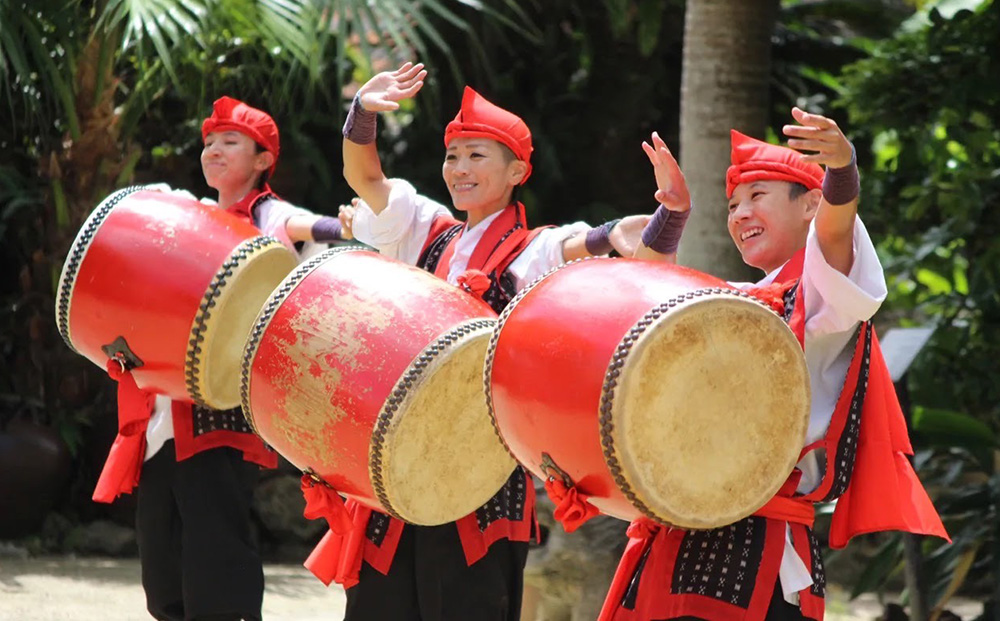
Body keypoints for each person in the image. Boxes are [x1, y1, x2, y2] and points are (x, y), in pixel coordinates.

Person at [303, 61, 649, 621]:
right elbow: (365, 178)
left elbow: (585, 244)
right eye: (452, 156)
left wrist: (627, 230)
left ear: (517, 171)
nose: (459, 168)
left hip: (480, 474)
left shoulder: (535, 249)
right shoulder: (425, 228)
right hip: (399, 460)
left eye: (476, 156)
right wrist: (362, 113)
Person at [596, 109, 949, 620]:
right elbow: (642, 296)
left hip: (755, 543)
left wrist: (842, 170)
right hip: (681, 526)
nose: (739, 214)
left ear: (810, 204)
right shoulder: (738, 297)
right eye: (732, 205)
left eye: (757, 195)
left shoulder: (822, 297)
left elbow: (835, 233)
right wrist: (672, 213)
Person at [92, 96, 346, 621]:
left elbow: (306, 227)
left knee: (216, 554)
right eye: (208, 142)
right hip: (165, 409)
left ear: (262, 160)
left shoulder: (268, 215)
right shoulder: (194, 214)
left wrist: (338, 225)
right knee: (162, 561)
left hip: (220, 414)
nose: (213, 150)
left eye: (230, 142)